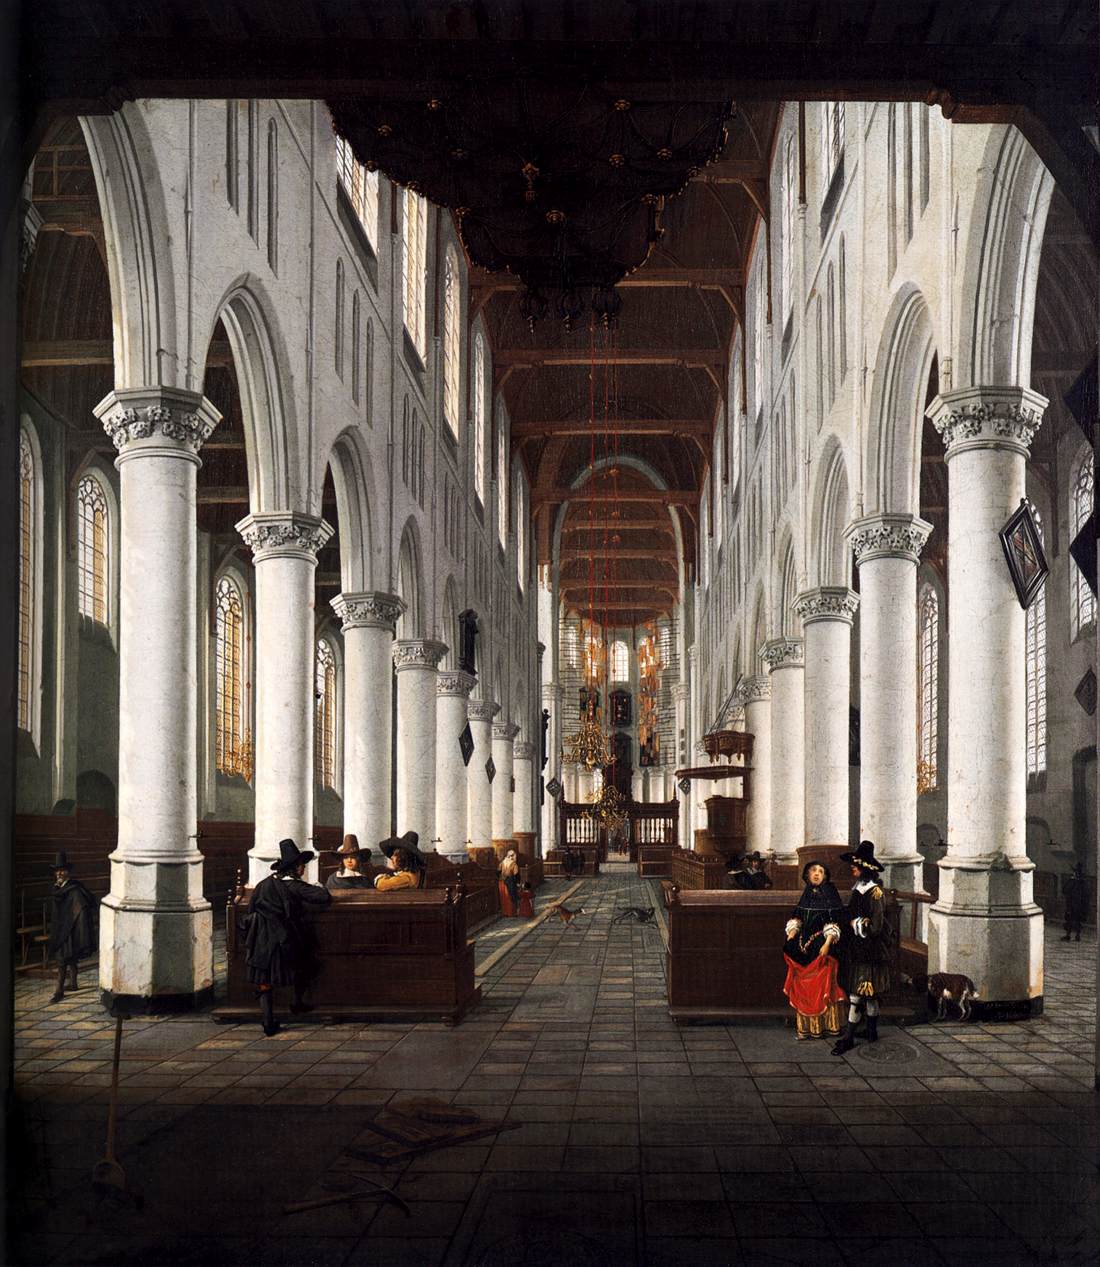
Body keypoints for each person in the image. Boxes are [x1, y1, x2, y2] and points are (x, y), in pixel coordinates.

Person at [244, 838, 332, 1036]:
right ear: (293, 868)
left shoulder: (263, 884)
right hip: (282, 942)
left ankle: (268, 1022)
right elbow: (323, 897)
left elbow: (250, 911)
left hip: (260, 941)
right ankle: (297, 1003)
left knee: (264, 980)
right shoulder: (294, 886)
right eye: (301, 865)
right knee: (305, 962)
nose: (303, 868)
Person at [832, 840, 893, 1056]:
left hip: (870, 950)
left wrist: (854, 923)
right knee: (866, 995)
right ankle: (871, 1031)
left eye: (856, 865)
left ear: (865, 868)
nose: (853, 868)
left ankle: (849, 1037)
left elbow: (876, 926)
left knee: (861, 995)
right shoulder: (859, 887)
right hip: (858, 947)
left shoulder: (875, 893)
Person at [782, 861, 846, 1040]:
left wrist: (827, 942)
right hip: (804, 943)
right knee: (802, 983)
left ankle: (826, 1027)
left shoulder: (830, 893)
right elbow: (798, 917)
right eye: (813, 871)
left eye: (821, 871)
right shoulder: (807, 892)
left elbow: (834, 922)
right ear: (807, 875)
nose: (817, 874)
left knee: (821, 984)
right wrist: (792, 931)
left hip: (824, 944)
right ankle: (806, 1028)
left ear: (826, 875)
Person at [46, 851, 98, 1004]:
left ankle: (59, 991)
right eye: (57, 870)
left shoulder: (74, 888)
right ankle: (73, 984)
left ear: (68, 872)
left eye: (62, 870)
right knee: (70, 958)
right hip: (60, 927)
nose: (60, 873)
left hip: (71, 929)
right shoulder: (58, 887)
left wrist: (77, 926)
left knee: (64, 959)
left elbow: (81, 906)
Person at [1062, 862, 1088, 942]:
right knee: (1074, 920)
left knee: (1073, 919)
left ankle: (1071, 935)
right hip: (1076, 904)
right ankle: (1075, 935)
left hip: (1074, 904)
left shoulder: (1075, 882)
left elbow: (1065, 890)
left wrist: (1071, 880)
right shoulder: (1082, 882)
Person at [499, 849, 520, 916]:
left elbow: (498, 871)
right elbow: (516, 874)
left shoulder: (502, 862)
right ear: (512, 856)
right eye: (515, 856)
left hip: (502, 882)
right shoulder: (513, 864)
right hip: (510, 882)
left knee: (505, 897)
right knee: (512, 896)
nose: (515, 858)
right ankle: (512, 913)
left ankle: (505, 912)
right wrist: (518, 883)